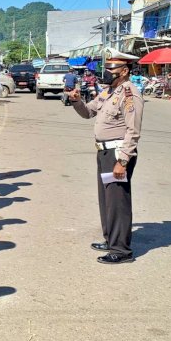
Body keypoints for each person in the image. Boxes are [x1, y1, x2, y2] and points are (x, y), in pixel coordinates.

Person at [68, 48, 144, 264]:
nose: (107, 71)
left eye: (112, 67)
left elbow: (133, 131)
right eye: (107, 66)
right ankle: (111, 239)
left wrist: (123, 160)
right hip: (104, 152)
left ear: (125, 71)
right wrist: (76, 101)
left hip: (117, 153)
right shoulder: (108, 91)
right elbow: (88, 112)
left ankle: (121, 251)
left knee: (118, 201)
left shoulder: (130, 94)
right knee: (107, 200)